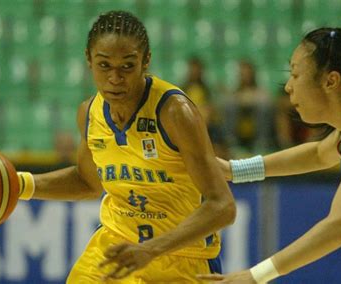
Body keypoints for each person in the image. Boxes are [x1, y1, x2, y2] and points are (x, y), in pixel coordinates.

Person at [17, 11, 236, 283]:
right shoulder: (89, 113)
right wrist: (21, 185)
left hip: (182, 257)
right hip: (114, 249)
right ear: (89, 60)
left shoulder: (175, 112)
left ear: (146, 61)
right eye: (104, 65)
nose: (115, 78)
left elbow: (223, 206)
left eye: (127, 66)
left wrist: (151, 249)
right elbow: (89, 182)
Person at [198, 27, 341, 283]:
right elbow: (319, 154)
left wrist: (255, 275)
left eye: (295, 74)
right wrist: (234, 170)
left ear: (331, 81)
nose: (288, 87)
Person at [223, 60, 274, 155]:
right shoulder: (234, 92)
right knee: (230, 106)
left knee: (263, 107)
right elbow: (230, 99)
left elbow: (267, 99)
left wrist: (247, 99)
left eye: (248, 73)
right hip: (239, 126)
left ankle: (261, 143)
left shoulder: (260, 90)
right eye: (243, 74)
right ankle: (231, 143)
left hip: (256, 126)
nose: (246, 76)